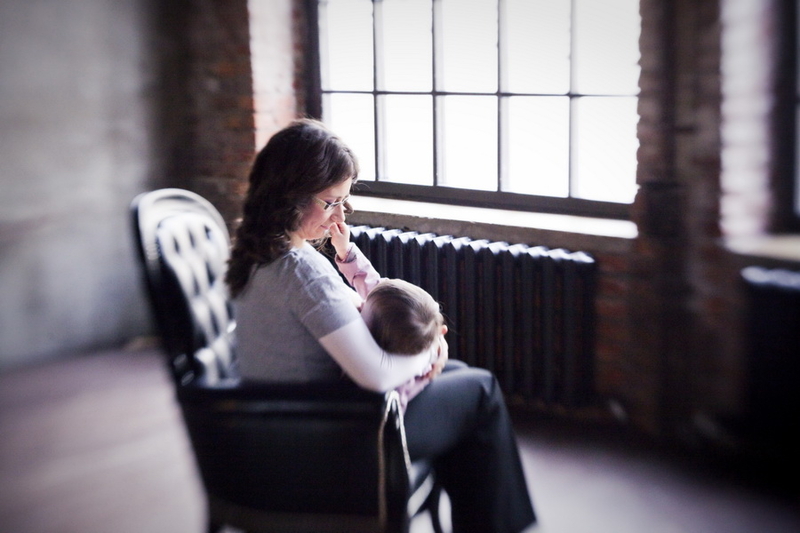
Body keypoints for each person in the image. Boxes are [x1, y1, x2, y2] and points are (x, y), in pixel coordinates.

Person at [226, 118, 536, 533]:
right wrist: (430, 350)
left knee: (459, 378)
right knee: (481, 391)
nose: (340, 215)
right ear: (290, 197)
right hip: (332, 436)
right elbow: (375, 375)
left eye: (344, 201)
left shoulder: (261, 251)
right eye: (331, 202)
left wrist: (430, 357)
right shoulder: (301, 271)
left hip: (289, 423)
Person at [330, 221, 446, 411]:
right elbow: (374, 287)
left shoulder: (380, 366)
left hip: (395, 417)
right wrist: (345, 251)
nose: (360, 304)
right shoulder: (408, 342)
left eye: (363, 309)